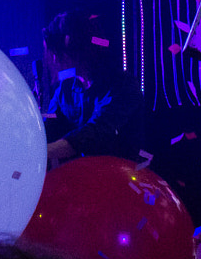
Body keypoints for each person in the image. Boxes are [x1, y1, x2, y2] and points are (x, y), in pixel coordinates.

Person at [41, 11, 144, 165]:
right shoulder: (65, 89)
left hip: (124, 178)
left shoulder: (123, 85)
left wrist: (42, 152)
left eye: (54, 52)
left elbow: (95, 133)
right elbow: (48, 129)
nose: (52, 59)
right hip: (81, 179)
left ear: (71, 48)